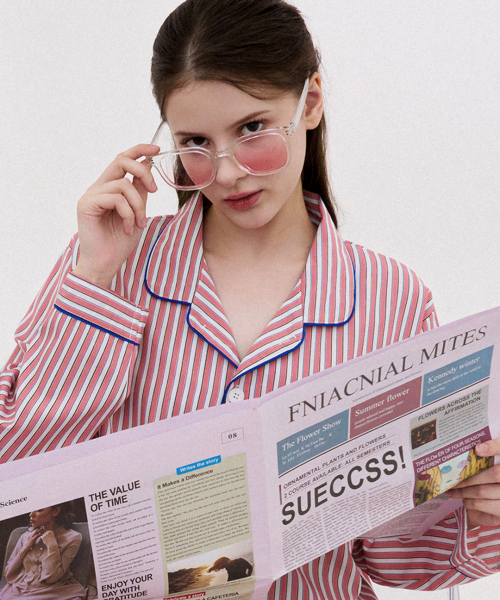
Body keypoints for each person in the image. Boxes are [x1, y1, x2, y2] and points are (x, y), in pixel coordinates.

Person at [0, 0, 499, 597]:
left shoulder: (392, 299)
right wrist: (95, 279)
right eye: (195, 142)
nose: (229, 172)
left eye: (252, 129)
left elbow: (395, 555)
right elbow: (12, 471)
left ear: (310, 102)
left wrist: (483, 508)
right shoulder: (108, 267)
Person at [0, 504, 86, 600]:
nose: (31, 514)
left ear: (56, 511)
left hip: (52, 591)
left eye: (39, 510)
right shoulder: (26, 536)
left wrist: (52, 546)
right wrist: (25, 548)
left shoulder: (73, 538)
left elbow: (51, 578)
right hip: (19, 588)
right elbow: (8, 574)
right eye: (31, 510)